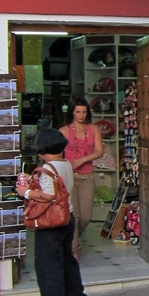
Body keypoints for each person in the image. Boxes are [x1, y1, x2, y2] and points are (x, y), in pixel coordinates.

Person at [17, 127, 91, 296]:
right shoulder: (65, 164)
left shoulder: (49, 168)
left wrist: (26, 192)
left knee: (49, 266)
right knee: (68, 261)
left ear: (42, 148)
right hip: (68, 217)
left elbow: (49, 196)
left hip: (52, 223)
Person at [59, 98, 103, 261]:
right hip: (69, 176)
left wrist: (83, 159)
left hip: (87, 176)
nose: (81, 115)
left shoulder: (93, 129)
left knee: (86, 216)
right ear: (72, 112)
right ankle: (74, 249)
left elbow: (99, 151)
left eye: (84, 112)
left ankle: (72, 238)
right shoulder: (63, 131)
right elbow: (56, 153)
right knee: (74, 216)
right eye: (78, 111)